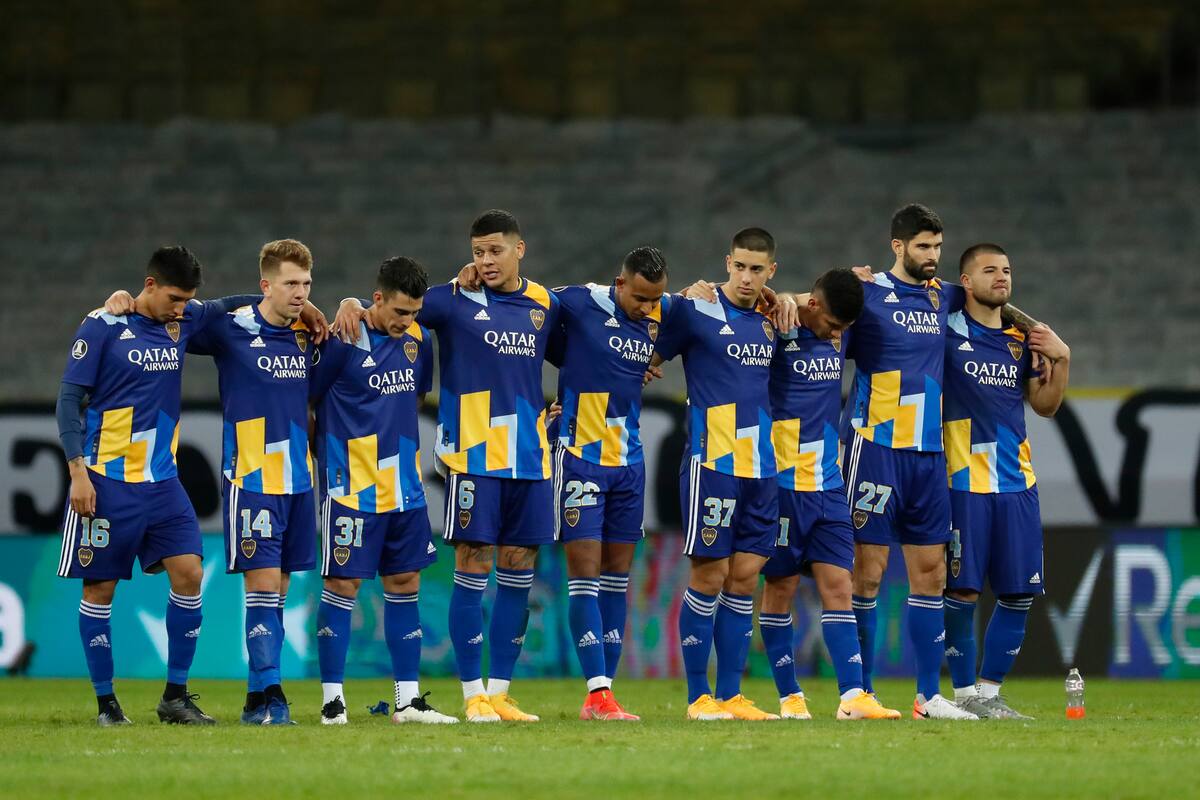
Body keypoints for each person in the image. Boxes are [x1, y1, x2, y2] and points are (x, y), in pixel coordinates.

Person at [334, 210, 558, 722]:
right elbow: (391, 305)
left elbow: (582, 353)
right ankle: (471, 693)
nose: (485, 261)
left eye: (495, 251)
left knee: (519, 566)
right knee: (474, 562)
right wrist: (348, 302)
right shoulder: (449, 301)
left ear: (519, 249)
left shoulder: (546, 303)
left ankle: (500, 692)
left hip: (530, 458)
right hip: (472, 459)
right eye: (478, 251)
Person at [458, 245, 673, 720]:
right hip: (580, 458)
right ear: (620, 284)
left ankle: (604, 694)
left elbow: (713, 310)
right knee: (586, 576)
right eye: (639, 298)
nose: (646, 308)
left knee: (618, 579)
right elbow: (520, 306)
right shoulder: (573, 302)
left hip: (629, 462)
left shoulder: (661, 313)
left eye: (654, 300)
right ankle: (596, 692)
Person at [58, 246, 259, 725]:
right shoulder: (102, 326)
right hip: (106, 480)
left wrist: (310, 304)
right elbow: (69, 399)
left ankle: (175, 696)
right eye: (173, 297)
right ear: (150, 286)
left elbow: (239, 302)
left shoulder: (185, 320)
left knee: (190, 573)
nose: (181, 308)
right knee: (100, 589)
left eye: (188, 299)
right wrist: (78, 471)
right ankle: (107, 704)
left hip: (163, 481)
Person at [837, 204, 979, 719]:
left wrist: (1044, 334)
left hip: (928, 456)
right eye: (923, 247)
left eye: (937, 247)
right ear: (897, 247)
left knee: (932, 574)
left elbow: (993, 298)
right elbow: (823, 327)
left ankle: (927, 697)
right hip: (873, 449)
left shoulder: (945, 297)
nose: (932, 257)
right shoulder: (867, 293)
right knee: (867, 574)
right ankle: (861, 693)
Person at [309, 256, 456, 725]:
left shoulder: (417, 341)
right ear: (376, 300)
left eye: (413, 313)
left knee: (405, 584)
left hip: (404, 489)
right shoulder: (340, 341)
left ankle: (408, 701)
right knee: (342, 585)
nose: (406, 322)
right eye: (399, 312)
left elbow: (412, 403)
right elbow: (306, 401)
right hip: (350, 487)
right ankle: (333, 701)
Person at [755, 269, 902, 721]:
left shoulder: (832, 322)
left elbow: (825, 294)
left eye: (843, 330)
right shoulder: (775, 326)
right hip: (782, 483)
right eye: (834, 327)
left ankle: (852, 696)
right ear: (814, 308)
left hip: (829, 483)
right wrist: (780, 296)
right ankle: (789, 696)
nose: (839, 337)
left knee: (840, 584)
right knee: (779, 587)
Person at [649, 227, 782, 721]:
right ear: (728, 262)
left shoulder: (773, 318)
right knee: (710, 574)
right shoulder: (694, 310)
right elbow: (643, 355)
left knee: (745, 579)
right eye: (740, 266)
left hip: (762, 467)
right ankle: (697, 698)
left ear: (772, 271)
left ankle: (732, 696)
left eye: (757, 269)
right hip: (713, 463)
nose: (747, 277)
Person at [940, 243, 1070, 719]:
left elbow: (1047, 405)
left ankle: (990, 695)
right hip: (962, 481)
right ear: (966, 281)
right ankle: (961, 696)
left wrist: (1064, 359)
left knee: (1018, 592)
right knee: (962, 591)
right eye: (989, 270)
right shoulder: (945, 329)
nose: (1001, 277)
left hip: (1017, 483)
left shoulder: (1022, 339)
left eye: (1007, 270)